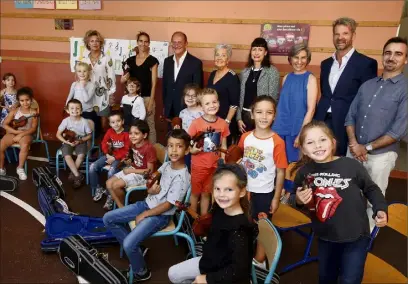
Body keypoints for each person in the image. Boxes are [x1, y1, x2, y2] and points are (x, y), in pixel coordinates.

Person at [293, 120, 388, 284]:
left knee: (350, 279)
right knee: (325, 278)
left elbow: (371, 189)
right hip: (325, 236)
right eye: (310, 142)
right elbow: (295, 199)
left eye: (322, 140)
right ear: (304, 150)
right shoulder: (304, 173)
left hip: (356, 236)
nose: (317, 146)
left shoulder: (351, 165)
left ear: (333, 142)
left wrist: (380, 208)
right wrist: (299, 200)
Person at [104, 129, 191, 282]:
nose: (174, 150)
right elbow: (153, 178)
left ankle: (141, 272)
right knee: (108, 218)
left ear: (187, 149)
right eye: (170, 146)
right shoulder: (167, 165)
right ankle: (138, 249)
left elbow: (168, 205)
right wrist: (150, 188)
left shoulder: (182, 177)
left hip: (160, 216)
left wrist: (145, 215)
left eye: (179, 146)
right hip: (147, 203)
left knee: (129, 243)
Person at [345, 36, 408, 231]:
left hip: (381, 156)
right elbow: (350, 117)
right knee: (347, 194)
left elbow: (398, 130)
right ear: (382, 56)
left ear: (405, 59)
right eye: (388, 53)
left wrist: (367, 147)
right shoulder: (368, 85)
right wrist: (355, 144)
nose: (391, 57)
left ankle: (366, 240)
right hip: (354, 150)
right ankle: (346, 231)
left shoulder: (405, 89)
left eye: (398, 54)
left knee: (374, 199)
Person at [168, 164, 258, 284]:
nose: (221, 194)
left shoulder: (240, 229)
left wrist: (206, 279)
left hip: (225, 276)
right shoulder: (219, 208)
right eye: (217, 189)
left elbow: (238, 271)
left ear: (242, 192)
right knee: (173, 274)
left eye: (229, 189)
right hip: (211, 261)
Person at [314, 17, 378, 156]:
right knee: (318, 157)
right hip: (322, 120)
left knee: (339, 163)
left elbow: (366, 100)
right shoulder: (326, 64)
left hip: (345, 122)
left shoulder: (366, 63)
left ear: (353, 35)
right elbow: (326, 94)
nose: (340, 38)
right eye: (337, 34)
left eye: (345, 33)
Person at [238, 95, 288, 269]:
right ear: (252, 114)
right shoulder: (245, 138)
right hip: (244, 191)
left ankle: (260, 261)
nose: (264, 116)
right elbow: (238, 159)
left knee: (263, 226)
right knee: (244, 223)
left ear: (274, 116)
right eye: (259, 112)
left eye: (269, 112)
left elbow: (281, 171)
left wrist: (275, 198)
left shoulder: (277, 142)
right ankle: (243, 256)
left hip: (264, 193)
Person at [272, 44, 318, 163]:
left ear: (308, 59)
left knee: (293, 168)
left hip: (296, 130)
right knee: (278, 165)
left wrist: (301, 134)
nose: (299, 61)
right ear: (290, 59)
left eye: (303, 57)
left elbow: (311, 110)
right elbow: (283, 105)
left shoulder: (310, 79)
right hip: (280, 128)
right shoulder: (286, 77)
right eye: (296, 57)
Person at [188, 88, 230, 215]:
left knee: (207, 193)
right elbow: (188, 146)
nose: (212, 105)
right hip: (199, 166)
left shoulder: (223, 124)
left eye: (214, 102)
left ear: (218, 103)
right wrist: (193, 150)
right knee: (195, 194)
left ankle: (203, 221)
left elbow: (224, 145)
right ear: (201, 106)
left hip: (215, 166)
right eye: (207, 103)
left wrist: (223, 163)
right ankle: (193, 220)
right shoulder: (196, 124)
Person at [106, 120, 156, 208]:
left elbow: (149, 171)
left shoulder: (149, 148)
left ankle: (124, 209)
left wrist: (129, 170)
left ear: (144, 135)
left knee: (115, 186)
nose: (132, 136)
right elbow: (135, 159)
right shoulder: (133, 144)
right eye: (130, 133)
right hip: (133, 169)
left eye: (136, 133)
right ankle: (121, 207)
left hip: (144, 175)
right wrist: (129, 161)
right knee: (108, 183)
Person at [121, 31, 159, 144]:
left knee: (149, 127)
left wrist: (151, 102)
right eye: (141, 41)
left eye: (146, 41)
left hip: (146, 98)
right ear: (137, 42)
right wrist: (124, 78)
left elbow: (154, 84)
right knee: (132, 127)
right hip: (132, 99)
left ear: (149, 43)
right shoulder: (130, 61)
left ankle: (153, 153)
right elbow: (123, 80)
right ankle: (134, 154)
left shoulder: (153, 61)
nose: (143, 44)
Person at [237, 37, 280, 134]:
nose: (256, 53)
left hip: (262, 117)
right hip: (245, 116)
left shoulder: (272, 71)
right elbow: (239, 97)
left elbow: (273, 98)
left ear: (265, 53)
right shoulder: (245, 72)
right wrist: (239, 118)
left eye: (260, 50)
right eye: (254, 49)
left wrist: (266, 118)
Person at [90, 111, 130, 211]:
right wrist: (107, 154)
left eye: (118, 121)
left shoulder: (126, 134)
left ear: (122, 121)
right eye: (113, 122)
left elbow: (126, 150)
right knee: (92, 167)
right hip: (109, 155)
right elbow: (104, 143)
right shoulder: (109, 132)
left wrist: (115, 157)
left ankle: (110, 195)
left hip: (120, 158)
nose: (115, 124)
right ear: (109, 123)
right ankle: (98, 188)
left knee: (112, 171)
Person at [82, 30, 116, 136]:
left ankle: (103, 146)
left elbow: (111, 77)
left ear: (101, 43)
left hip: (103, 95)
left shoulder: (106, 58)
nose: (95, 43)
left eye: (97, 41)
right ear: (88, 43)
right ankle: (91, 147)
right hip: (88, 95)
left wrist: (111, 94)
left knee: (104, 124)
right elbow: (80, 78)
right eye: (92, 41)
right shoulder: (84, 60)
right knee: (89, 123)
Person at [162, 31, 203, 119]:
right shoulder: (167, 61)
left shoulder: (196, 63)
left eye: (179, 42)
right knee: (170, 132)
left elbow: (198, 88)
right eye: (174, 42)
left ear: (186, 44)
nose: (176, 45)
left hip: (187, 109)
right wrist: (165, 105)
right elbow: (165, 85)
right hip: (169, 109)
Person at [0, 87, 38, 180]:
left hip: (27, 134)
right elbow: (4, 124)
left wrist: (21, 134)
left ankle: (20, 168)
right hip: (14, 132)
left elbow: (33, 128)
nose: (25, 103)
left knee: (25, 145)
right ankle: (1, 168)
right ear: (18, 101)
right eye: (22, 101)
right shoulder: (15, 111)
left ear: (31, 100)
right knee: (1, 145)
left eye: (27, 100)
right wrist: (16, 132)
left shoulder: (33, 113)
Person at [207, 44, 240, 144]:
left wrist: (227, 122)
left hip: (225, 121)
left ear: (228, 59)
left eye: (223, 55)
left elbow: (234, 104)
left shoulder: (232, 77)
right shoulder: (212, 74)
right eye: (217, 55)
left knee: (223, 152)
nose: (219, 58)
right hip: (211, 119)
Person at [56, 99, 92, 188]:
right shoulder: (66, 121)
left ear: (81, 110)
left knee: (81, 155)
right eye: (72, 108)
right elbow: (58, 134)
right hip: (68, 140)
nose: (75, 110)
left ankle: (73, 173)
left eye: (77, 108)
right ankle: (77, 175)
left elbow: (89, 136)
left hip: (80, 140)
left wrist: (81, 140)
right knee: (67, 155)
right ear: (67, 110)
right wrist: (66, 141)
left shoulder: (84, 121)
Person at [65, 62, 98, 129]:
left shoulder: (92, 85)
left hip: (87, 112)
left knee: (87, 130)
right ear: (76, 73)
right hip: (75, 111)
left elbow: (86, 99)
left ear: (88, 72)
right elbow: (70, 96)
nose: (82, 73)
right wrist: (67, 106)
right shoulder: (74, 84)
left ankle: (87, 139)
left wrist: (82, 87)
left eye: (84, 71)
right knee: (75, 129)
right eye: (79, 71)